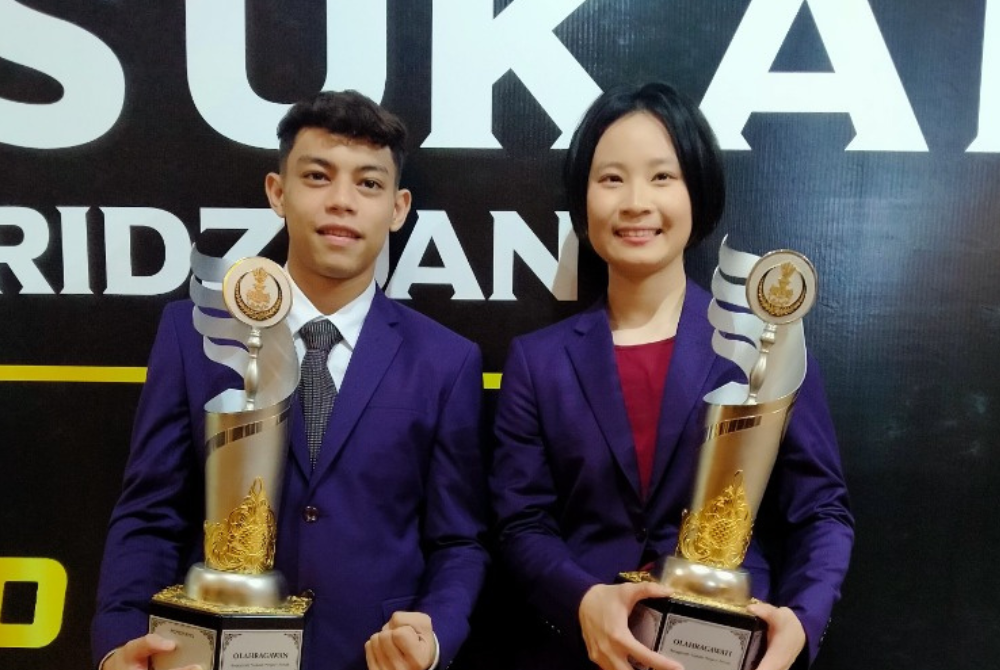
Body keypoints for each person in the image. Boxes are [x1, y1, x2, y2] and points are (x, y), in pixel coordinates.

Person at [92, 90, 490, 670]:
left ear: (399, 208)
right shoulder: (196, 332)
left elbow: (459, 541)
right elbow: (149, 513)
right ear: (278, 192)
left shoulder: (445, 360)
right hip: (209, 655)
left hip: (369, 658)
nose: (342, 201)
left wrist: (435, 637)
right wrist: (116, 643)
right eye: (318, 176)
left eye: (369, 184)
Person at [489, 82, 854, 670]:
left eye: (663, 177)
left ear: (699, 192)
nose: (636, 202)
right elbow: (522, 522)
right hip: (583, 654)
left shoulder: (763, 343)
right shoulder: (538, 360)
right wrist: (584, 600)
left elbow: (820, 511)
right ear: (583, 201)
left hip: (734, 652)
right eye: (611, 179)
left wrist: (801, 625)